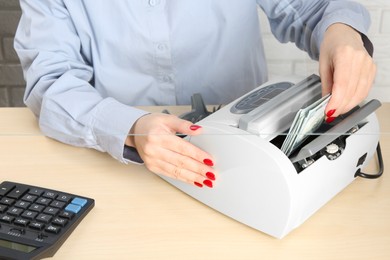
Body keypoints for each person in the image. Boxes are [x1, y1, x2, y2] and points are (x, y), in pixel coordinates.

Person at [14, 0, 376, 189]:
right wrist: (130, 127)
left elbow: (313, 8)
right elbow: (51, 79)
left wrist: (342, 33)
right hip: (125, 163)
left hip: (248, 156)